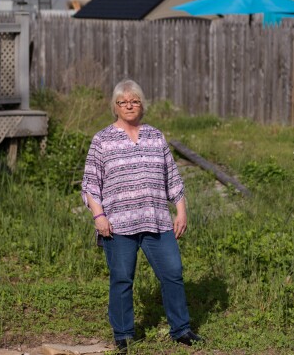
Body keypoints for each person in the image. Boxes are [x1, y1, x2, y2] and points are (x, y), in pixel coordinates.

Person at [81, 79, 204, 352]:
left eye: (134, 101)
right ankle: (123, 335)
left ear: (142, 105)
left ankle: (181, 330)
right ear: (115, 106)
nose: (129, 106)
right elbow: (90, 183)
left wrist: (181, 210)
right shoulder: (102, 139)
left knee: (173, 273)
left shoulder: (155, 136)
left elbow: (172, 177)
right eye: (123, 102)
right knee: (123, 278)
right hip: (118, 224)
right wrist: (98, 216)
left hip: (157, 220)